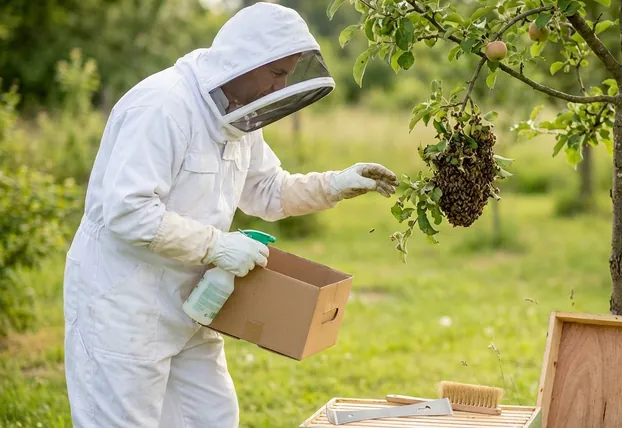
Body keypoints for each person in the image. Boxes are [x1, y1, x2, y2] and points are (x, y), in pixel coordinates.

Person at [62, 3, 398, 427]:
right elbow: (129, 212)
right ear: (246, 59)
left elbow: (267, 191)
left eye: (289, 74)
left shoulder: (238, 114)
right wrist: (217, 246)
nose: (282, 85)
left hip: (193, 300)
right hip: (124, 301)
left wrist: (332, 185)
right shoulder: (162, 106)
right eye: (277, 73)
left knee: (213, 417)